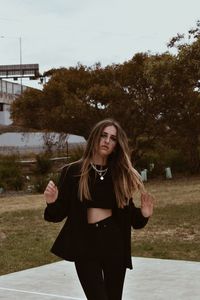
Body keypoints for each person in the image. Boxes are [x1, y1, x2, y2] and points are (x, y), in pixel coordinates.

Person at [44, 118, 154, 300]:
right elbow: (56, 215)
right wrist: (52, 202)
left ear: (116, 145)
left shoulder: (120, 174)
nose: (107, 141)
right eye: (103, 136)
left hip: (114, 241)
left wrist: (143, 214)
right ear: (95, 137)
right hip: (85, 243)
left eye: (112, 138)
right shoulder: (73, 171)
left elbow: (129, 216)